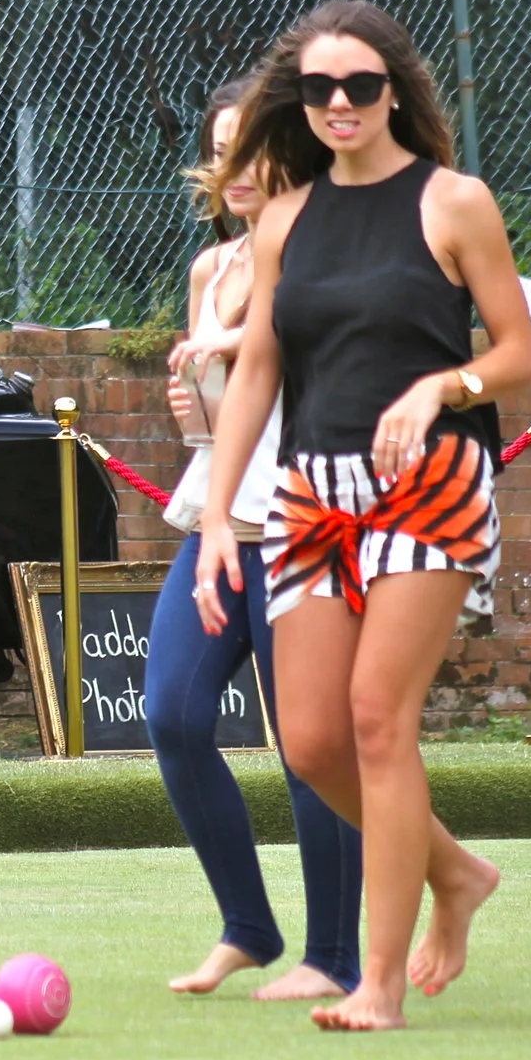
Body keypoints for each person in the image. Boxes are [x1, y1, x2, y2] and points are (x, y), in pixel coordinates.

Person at [195, 0, 531, 1031]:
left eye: (359, 85)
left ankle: (378, 983)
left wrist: (441, 387)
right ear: (298, 99)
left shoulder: (453, 201)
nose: (338, 102)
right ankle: (454, 872)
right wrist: (216, 520)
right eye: (318, 87)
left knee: (378, 718)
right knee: (310, 741)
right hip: (312, 489)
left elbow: (517, 352)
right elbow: (259, 370)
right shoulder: (284, 219)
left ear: (395, 90)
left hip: (430, 481)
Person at [154, 77, 365, 1002]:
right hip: (221, 521)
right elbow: (228, 415)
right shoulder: (213, 270)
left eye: (252, 148)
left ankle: (335, 956)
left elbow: (310, 356)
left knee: (310, 747)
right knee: (173, 715)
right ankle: (247, 927)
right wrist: (193, 417)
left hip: (303, 523)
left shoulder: (325, 253)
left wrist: (236, 348)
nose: (232, 168)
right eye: (220, 150)